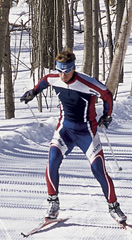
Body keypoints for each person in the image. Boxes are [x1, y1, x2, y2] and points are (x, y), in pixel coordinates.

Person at [21, 49, 126, 223]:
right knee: (52, 160)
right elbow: (44, 82)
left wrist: (107, 116)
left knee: (98, 170)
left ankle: (114, 206)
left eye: (67, 71)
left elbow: (107, 96)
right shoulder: (54, 78)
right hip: (65, 130)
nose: (63, 75)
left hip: (87, 132)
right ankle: (53, 202)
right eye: (60, 70)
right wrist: (33, 92)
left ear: (73, 68)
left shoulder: (87, 82)